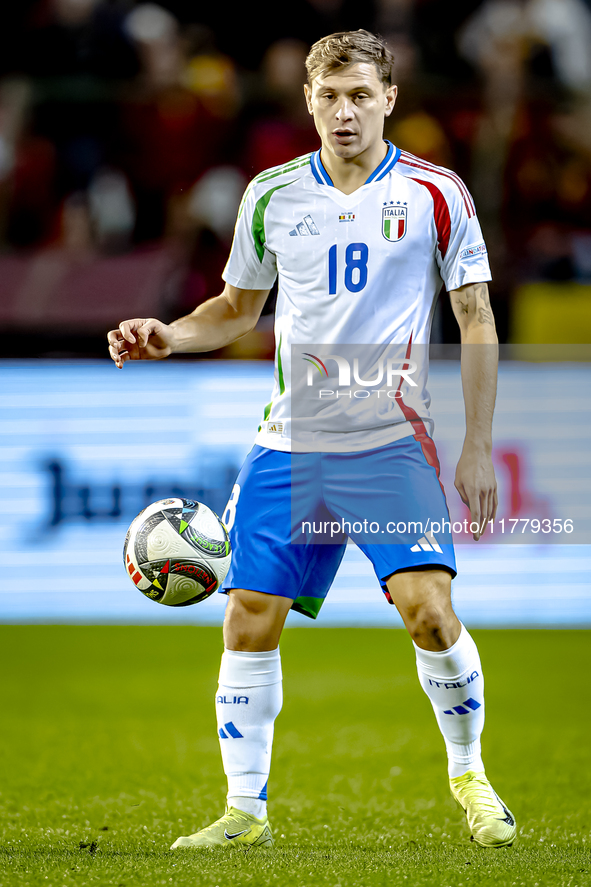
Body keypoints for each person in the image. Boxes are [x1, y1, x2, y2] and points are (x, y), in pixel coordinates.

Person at [107, 30, 516, 851]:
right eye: (328, 96)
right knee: (249, 618)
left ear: (389, 99)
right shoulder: (271, 195)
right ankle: (244, 811)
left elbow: (474, 318)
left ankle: (469, 774)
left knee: (429, 614)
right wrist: (168, 334)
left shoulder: (438, 193)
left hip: (389, 442)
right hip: (288, 446)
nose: (344, 111)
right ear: (307, 101)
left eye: (360, 94)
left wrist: (477, 444)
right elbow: (232, 310)